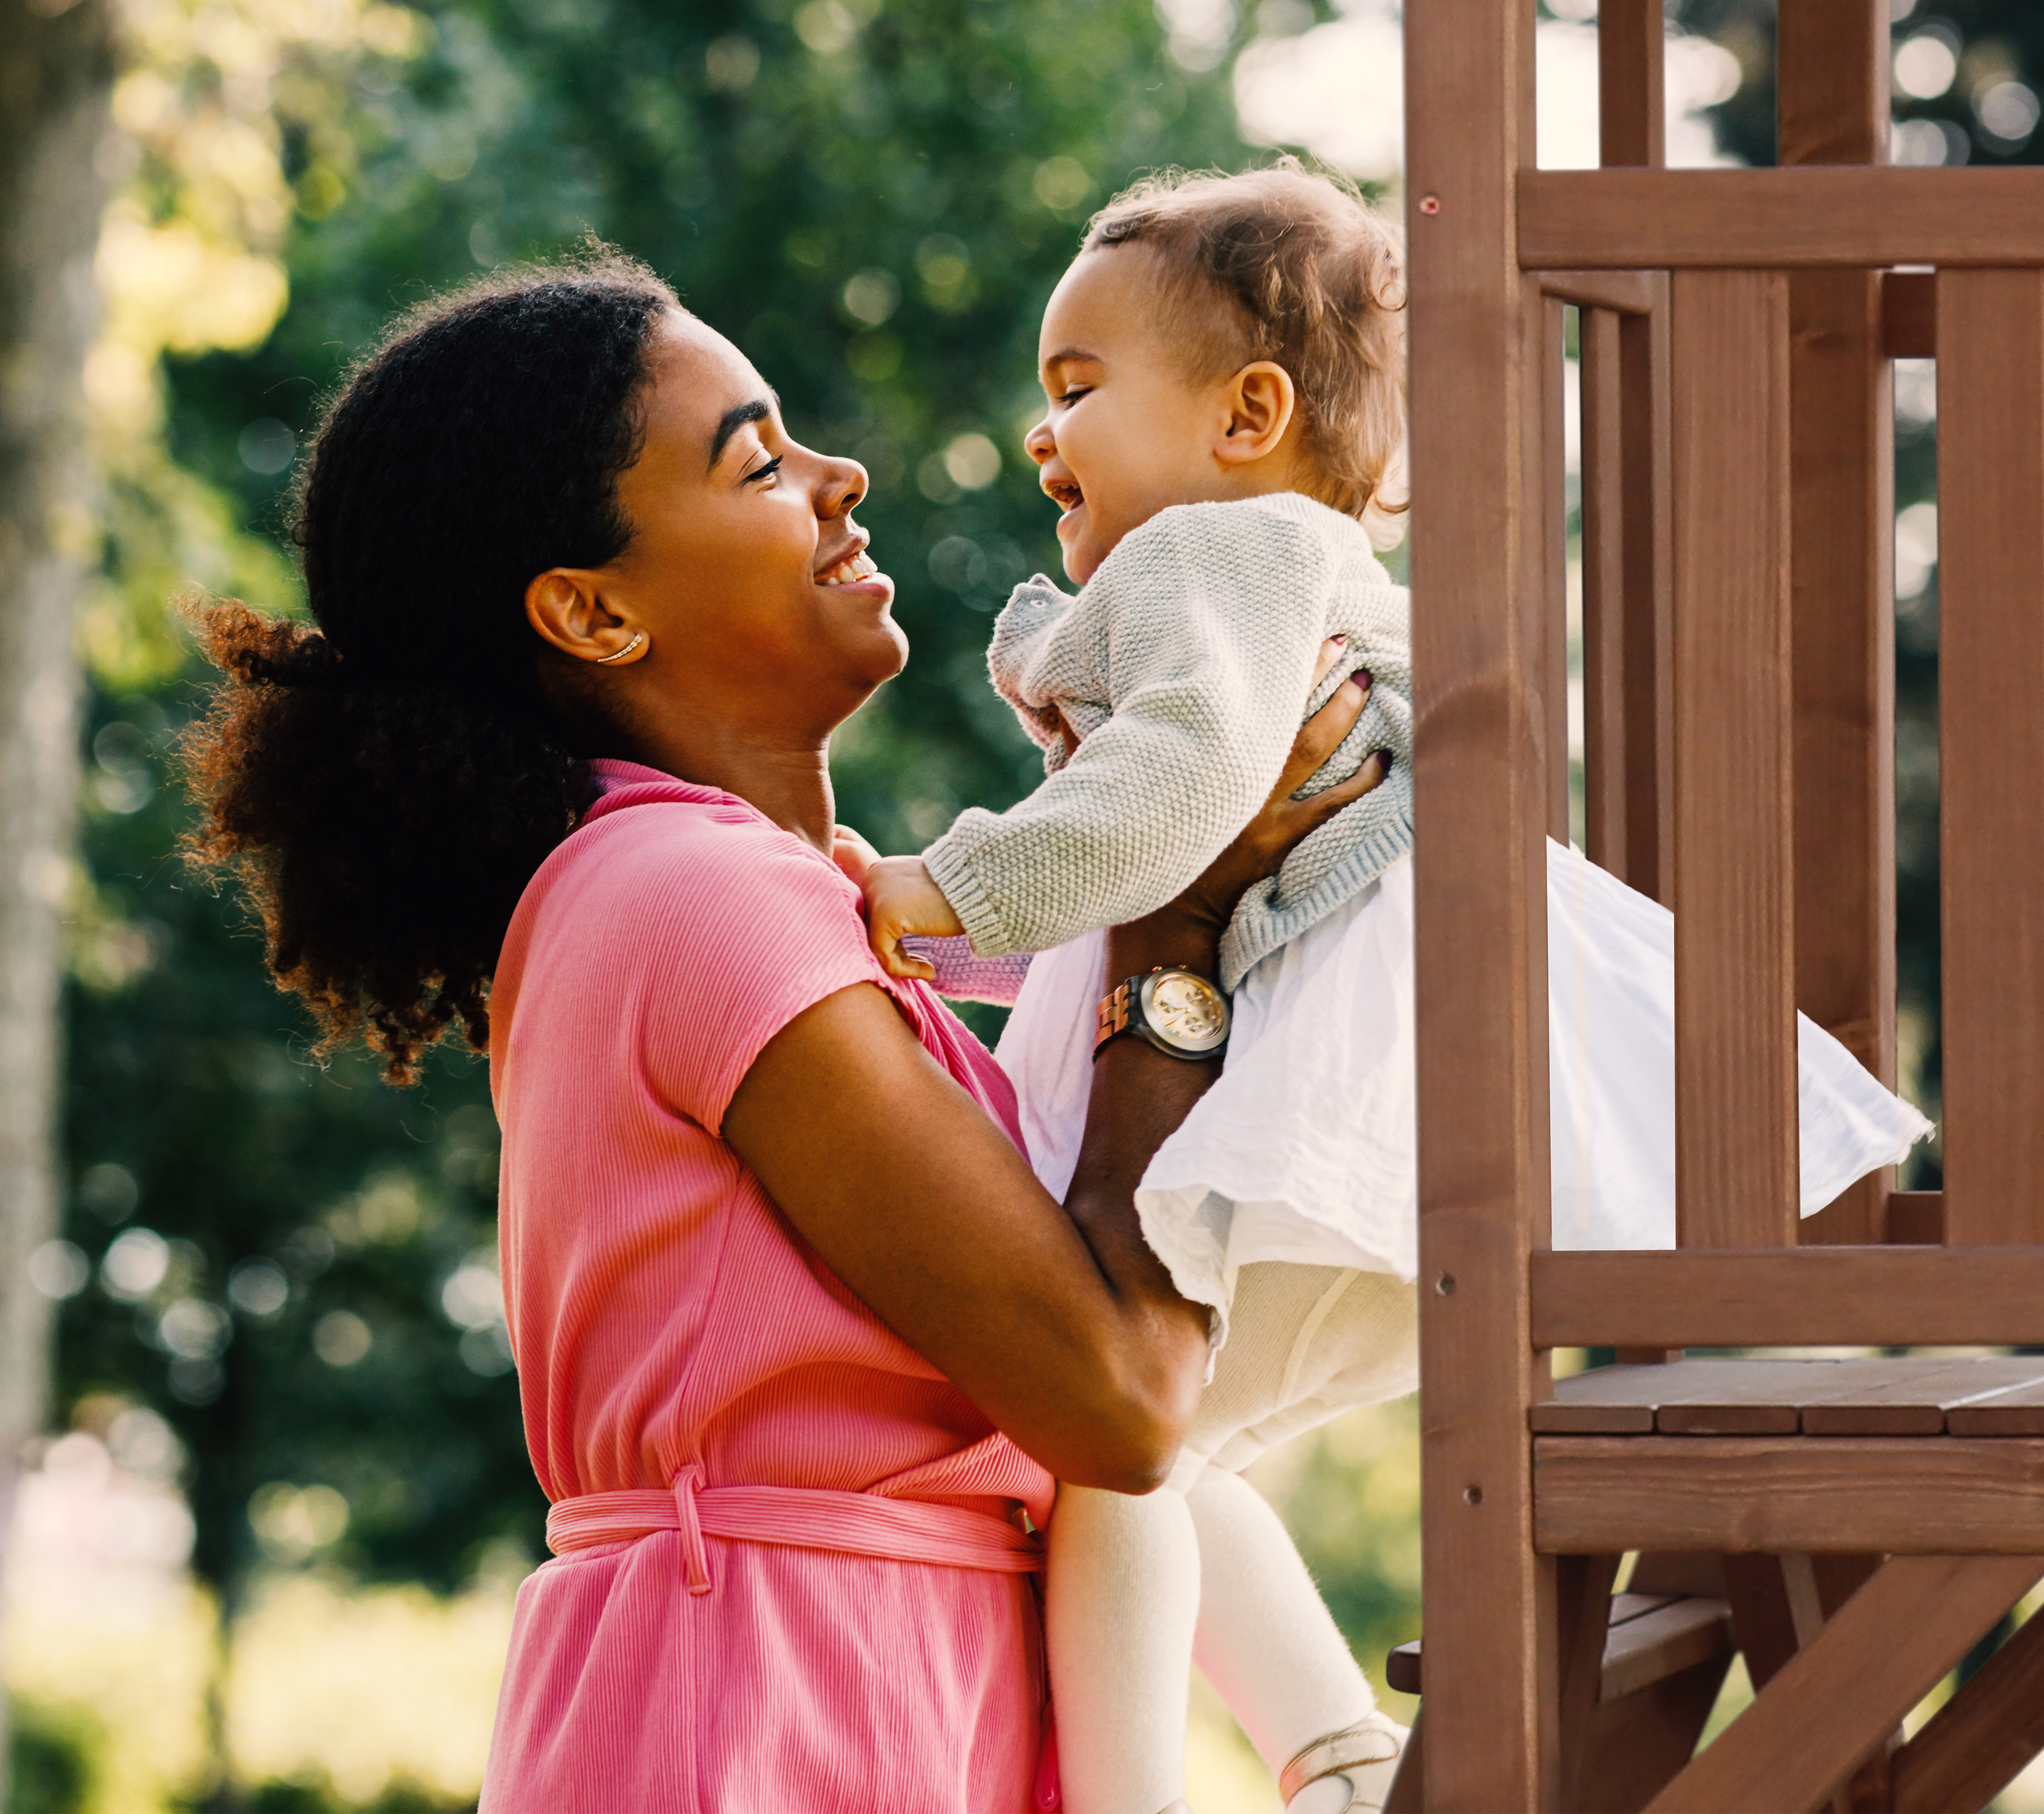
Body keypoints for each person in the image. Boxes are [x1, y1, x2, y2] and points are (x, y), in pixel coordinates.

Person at [175, 249, 1386, 1813]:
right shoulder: (692, 897)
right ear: (595, 612)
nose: (839, 475)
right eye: (756, 460)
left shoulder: (782, 901)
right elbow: (1119, 1398)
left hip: (859, 1681)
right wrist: (1181, 921)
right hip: (767, 1706)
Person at [858, 163, 1933, 1814]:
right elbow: (1161, 865)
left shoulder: (1221, 552)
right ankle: (1341, 1759)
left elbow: (1178, 793)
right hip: (1379, 1065)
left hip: (1327, 1062)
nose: (1037, 430)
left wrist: (944, 891)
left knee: (1111, 1442)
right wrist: (961, 933)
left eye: (1078, 389)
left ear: (1248, 413)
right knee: (1163, 1439)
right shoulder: (1303, 565)